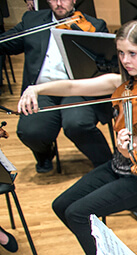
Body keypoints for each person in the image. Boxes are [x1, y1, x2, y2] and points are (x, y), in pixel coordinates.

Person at [19, 21, 137, 255]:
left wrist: (124, 145)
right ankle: (95, 250)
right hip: (118, 167)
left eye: (133, 53)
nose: (126, 61)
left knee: (78, 213)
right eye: (121, 53)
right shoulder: (121, 84)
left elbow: (134, 152)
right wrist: (36, 90)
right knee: (61, 205)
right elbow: (75, 85)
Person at [0, 0, 111, 174]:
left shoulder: (94, 25)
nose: (59, 3)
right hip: (42, 89)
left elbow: (106, 66)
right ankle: (45, 153)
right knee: (30, 131)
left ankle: (107, 163)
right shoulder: (32, 21)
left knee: (77, 123)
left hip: (77, 89)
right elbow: (7, 44)